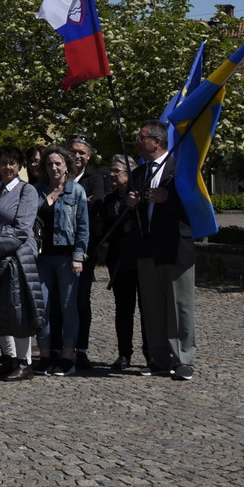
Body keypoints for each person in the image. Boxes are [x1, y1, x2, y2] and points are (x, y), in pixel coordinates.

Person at [131, 122, 197, 380]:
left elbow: (194, 203)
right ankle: (158, 359)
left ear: (157, 142)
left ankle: (183, 359)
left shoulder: (180, 169)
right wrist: (131, 203)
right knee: (153, 306)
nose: (138, 141)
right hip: (147, 249)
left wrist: (168, 198)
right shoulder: (138, 172)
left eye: (141, 137)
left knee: (180, 305)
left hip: (175, 247)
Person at [0, 146, 42, 381]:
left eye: (12, 163)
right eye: (4, 163)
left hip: (15, 260)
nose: (8, 167)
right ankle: (9, 359)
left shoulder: (27, 192)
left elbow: (22, 229)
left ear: (20, 167)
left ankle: (24, 363)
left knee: (17, 310)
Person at [34, 146, 90, 376]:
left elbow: (83, 228)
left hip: (66, 258)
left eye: (58, 163)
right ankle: (45, 354)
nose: (54, 168)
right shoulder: (36, 191)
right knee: (42, 307)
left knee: (68, 307)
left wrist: (79, 256)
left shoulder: (76, 191)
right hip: (41, 257)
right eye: (49, 164)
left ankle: (68, 355)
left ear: (67, 165)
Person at [64, 134, 110, 372]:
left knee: (81, 300)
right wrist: (83, 202)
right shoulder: (59, 175)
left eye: (82, 152)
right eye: (73, 151)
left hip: (85, 248)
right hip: (59, 247)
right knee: (60, 301)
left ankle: (80, 349)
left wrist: (71, 204)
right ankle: (61, 349)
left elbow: (97, 204)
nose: (77, 156)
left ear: (89, 156)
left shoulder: (95, 179)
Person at [101, 155, 144, 374]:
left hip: (141, 261)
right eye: (111, 170)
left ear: (129, 173)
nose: (112, 174)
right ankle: (124, 352)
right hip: (119, 261)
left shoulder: (140, 197)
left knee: (146, 309)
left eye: (117, 170)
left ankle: (151, 352)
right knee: (123, 310)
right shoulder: (110, 200)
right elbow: (106, 228)